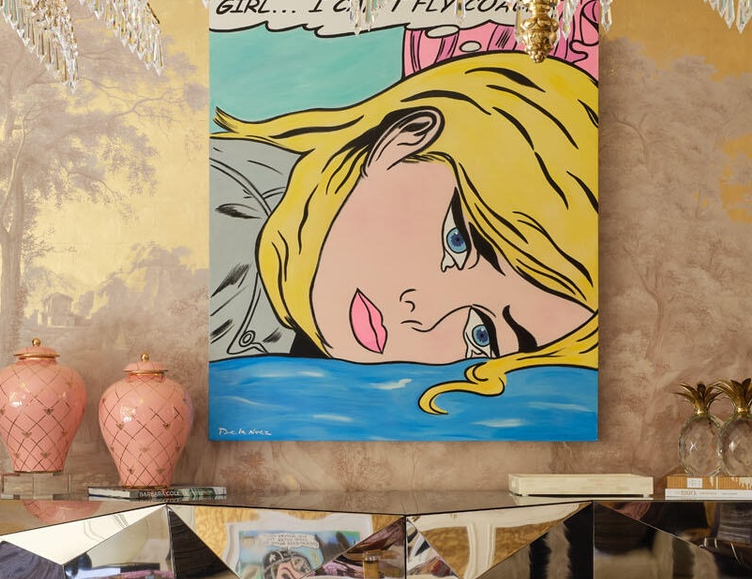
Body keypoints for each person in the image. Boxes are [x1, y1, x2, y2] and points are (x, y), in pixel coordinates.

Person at [209, 51, 597, 413]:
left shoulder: (305, 349)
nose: (422, 314)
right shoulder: (227, 205)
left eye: (482, 335)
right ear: (405, 138)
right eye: (457, 242)